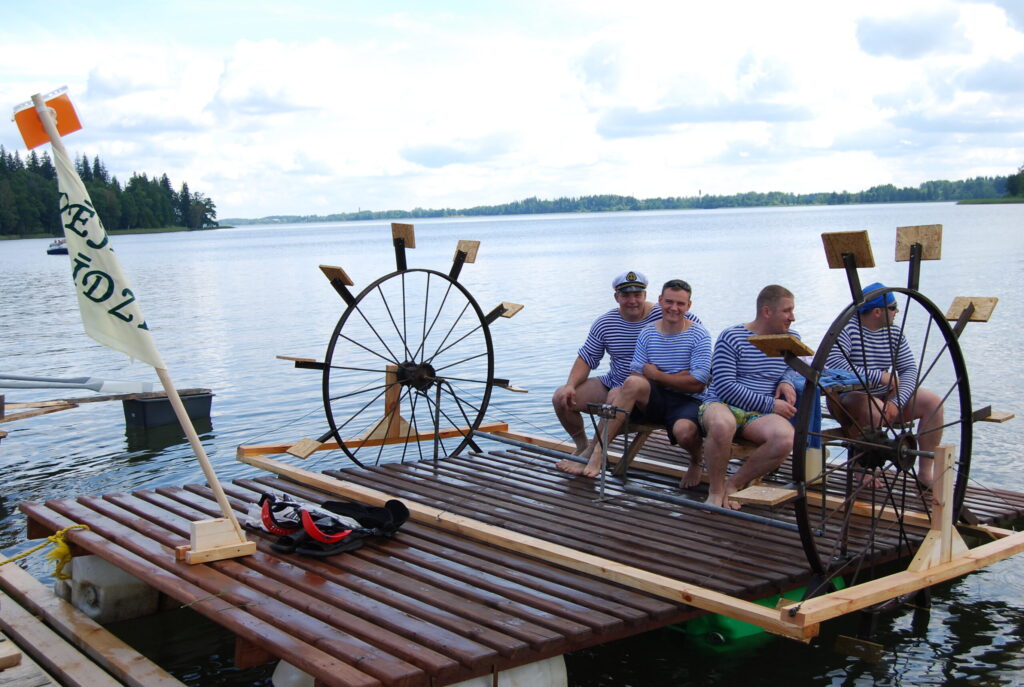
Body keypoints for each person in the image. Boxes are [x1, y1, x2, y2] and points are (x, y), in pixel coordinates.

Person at [559, 279, 711, 478]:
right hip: (640, 392)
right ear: (617, 297)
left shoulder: (694, 329)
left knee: (681, 428)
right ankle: (590, 449)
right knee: (564, 396)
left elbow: (698, 381)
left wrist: (657, 375)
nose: (674, 308)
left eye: (637, 295)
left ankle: (696, 461)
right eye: (626, 295)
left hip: (676, 396)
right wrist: (571, 385)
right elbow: (593, 359)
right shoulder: (638, 330)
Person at [825, 282, 943, 486]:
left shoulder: (894, 333)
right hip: (848, 397)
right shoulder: (848, 329)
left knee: (933, 402)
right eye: (893, 307)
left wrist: (897, 402)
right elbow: (835, 366)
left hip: (885, 396)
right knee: (875, 410)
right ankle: (861, 467)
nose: (897, 311)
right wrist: (879, 377)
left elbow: (909, 370)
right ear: (878, 311)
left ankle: (925, 472)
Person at [701, 285, 802, 509]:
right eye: (787, 311)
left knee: (786, 438)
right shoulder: (732, 337)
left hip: (758, 413)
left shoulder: (790, 339)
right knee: (721, 425)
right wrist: (770, 404)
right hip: (722, 403)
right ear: (767, 312)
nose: (792, 317)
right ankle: (715, 490)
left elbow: (795, 367)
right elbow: (725, 386)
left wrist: (786, 380)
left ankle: (734, 483)